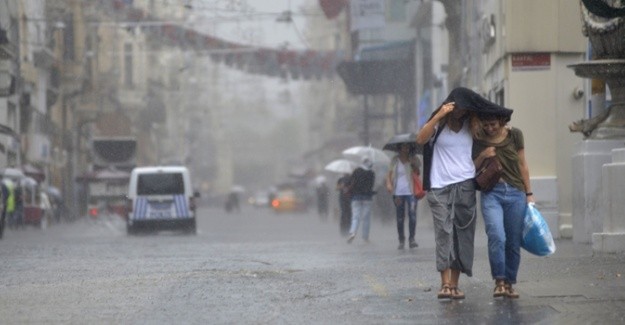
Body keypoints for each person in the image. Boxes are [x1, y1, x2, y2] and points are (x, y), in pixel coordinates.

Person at [416, 87, 513, 300]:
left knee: (463, 234)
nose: (459, 112)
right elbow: (420, 139)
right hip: (439, 186)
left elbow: (497, 117)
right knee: (444, 231)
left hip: (466, 185)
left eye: (464, 109)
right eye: (457, 108)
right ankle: (444, 283)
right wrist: (439, 114)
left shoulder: (473, 125)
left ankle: (455, 284)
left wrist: (489, 151)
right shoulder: (439, 124)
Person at [472, 113, 533, 299]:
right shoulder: (478, 138)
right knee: (497, 235)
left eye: (493, 124)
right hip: (492, 193)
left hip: (515, 192)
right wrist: (483, 155)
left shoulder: (515, 135)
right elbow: (470, 167)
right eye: (486, 124)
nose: (489, 128)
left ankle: (509, 282)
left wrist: (529, 193)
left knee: (513, 241)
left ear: (501, 122)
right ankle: (499, 281)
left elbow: (523, 164)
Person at [385, 143, 420, 249]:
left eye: (407, 147)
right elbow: (389, 174)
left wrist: (414, 164)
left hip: (411, 192)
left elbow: (417, 173)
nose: (406, 148)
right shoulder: (394, 160)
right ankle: (401, 240)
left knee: (412, 216)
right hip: (398, 192)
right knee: (400, 218)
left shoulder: (413, 159)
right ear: (399, 148)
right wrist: (389, 184)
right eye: (404, 146)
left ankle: (412, 239)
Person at [346, 157, 376, 244]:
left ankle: (352, 232)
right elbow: (372, 185)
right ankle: (365, 237)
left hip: (356, 197)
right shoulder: (371, 173)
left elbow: (350, 181)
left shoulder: (356, 171)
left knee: (355, 216)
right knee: (366, 218)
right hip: (367, 197)